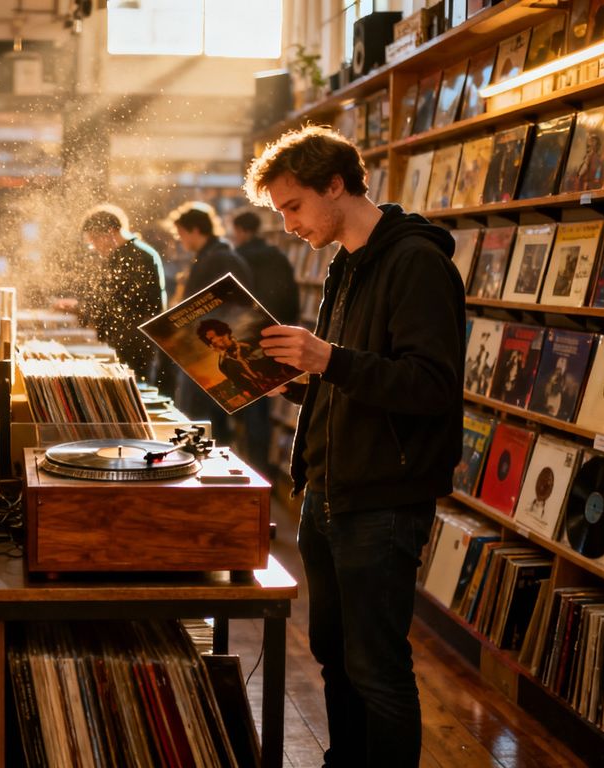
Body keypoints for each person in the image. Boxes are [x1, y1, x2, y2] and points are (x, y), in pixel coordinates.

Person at [249, 125, 465, 768]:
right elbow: (346, 377)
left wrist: (327, 359)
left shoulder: (416, 262)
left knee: (376, 665)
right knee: (335, 652)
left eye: (293, 206)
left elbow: (431, 385)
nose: (287, 224)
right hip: (328, 489)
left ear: (335, 185)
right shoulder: (345, 264)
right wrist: (285, 382)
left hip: (383, 496)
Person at [166, 202, 251, 443]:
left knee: (206, 420)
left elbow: (235, 305)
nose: (179, 239)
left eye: (181, 233)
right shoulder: (210, 256)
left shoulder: (220, 258)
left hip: (211, 354)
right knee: (201, 418)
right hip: (204, 349)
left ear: (194, 230)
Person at [60, 204, 166, 379]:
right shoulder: (123, 255)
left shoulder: (138, 257)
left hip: (136, 345)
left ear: (110, 232)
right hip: (126, 341)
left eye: (95, 238)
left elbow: (121, 305)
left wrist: (81, 309)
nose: (93, 245)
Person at [231, 210, 300, 473]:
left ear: (240, 231)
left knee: (249, 407)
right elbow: (291, 296)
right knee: (265, 405)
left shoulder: (240, 258)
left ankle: (250, 467)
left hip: (246, 339)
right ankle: (262, 466)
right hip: (277, 335)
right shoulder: (278, 257)